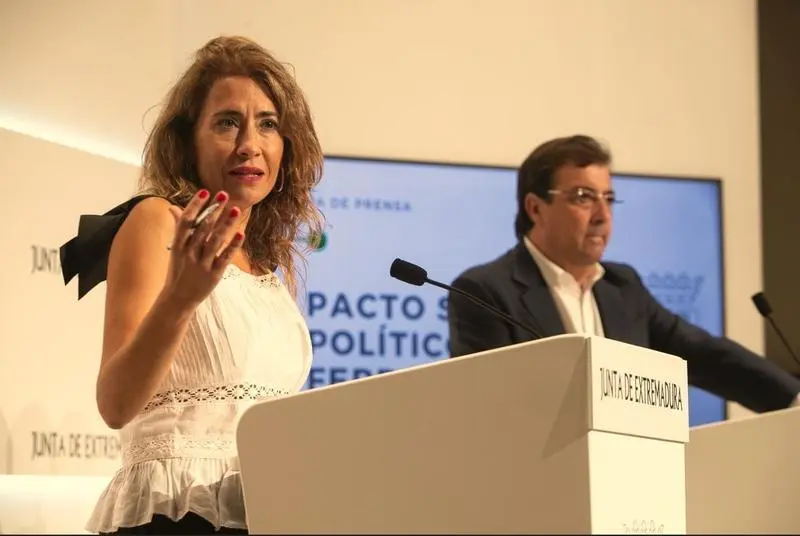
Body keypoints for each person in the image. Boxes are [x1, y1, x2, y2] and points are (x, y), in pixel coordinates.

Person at [59, 36, 324, 534]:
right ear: (188, 141)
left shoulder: (267, 263)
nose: (250, 144)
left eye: (268, 124)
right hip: (174, 512)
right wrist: (181, 299)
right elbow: (115, 404)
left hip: (261, 511)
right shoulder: (156, 220)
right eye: (227, 122)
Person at [446, 134, 800, 413]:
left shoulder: (622, 287)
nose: (603, 215)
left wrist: (793, 398)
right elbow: (489, 408)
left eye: (609, 198)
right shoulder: (486, 292)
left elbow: (706, 356)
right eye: (584, 197)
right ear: (536, 208)